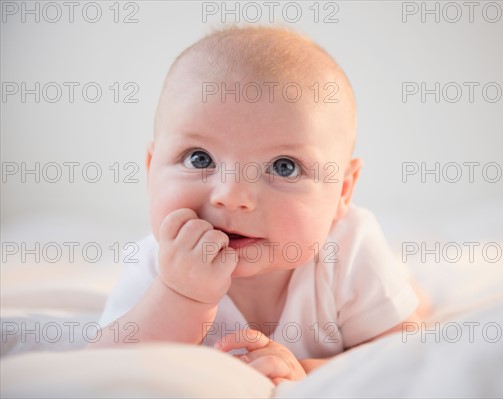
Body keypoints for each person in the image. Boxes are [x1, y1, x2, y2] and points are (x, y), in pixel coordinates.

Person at [92, 26, 425, 384]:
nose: (231, 195)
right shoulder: (159, 261)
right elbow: (103, 366)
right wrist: (180, 294)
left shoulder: (348, 249)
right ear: (151, 169)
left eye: (284, 167)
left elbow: (402, 355)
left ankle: (411, 290)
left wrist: (308, 372)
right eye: (199, 159)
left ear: (343, 192)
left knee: (414, 306)